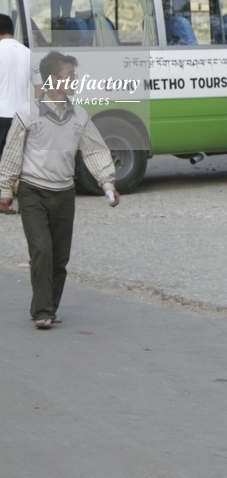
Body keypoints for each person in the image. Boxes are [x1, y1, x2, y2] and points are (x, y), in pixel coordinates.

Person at [0, 51, 120, 330]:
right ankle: (41, 310)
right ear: (53, 79)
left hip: (65, 194)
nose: (75, 80)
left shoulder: (80, 115)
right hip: (32, 192)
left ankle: (50, 308)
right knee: (42, 250)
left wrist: (108, 184)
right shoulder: (27, 113)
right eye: (70, 75)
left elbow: (95, 151)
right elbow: (11, 155)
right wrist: (5, 190)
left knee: (59, 257)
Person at [0, 13, 31, 160]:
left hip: (1, 115)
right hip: (22, 116)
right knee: (15, 163)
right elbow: (39, 89)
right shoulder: (28, 53)